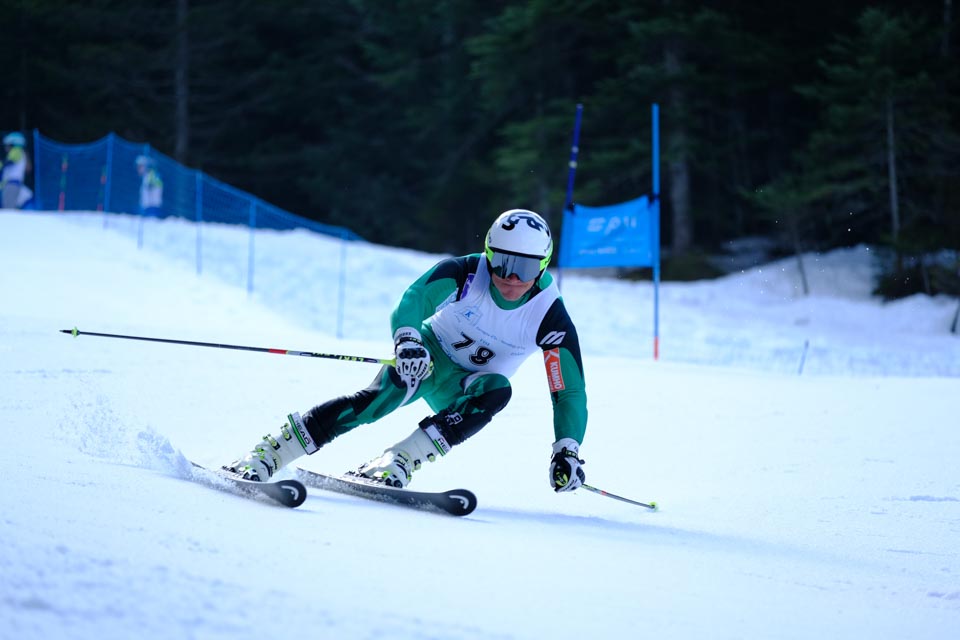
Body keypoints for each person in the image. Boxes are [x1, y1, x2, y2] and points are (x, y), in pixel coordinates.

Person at [224, 209, 589, 493]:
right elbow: (414, 299)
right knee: (377, 400)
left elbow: (568, 391)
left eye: (524, 268)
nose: (511, 278)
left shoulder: (548, 315)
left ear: (542, 265)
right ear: (488, 253)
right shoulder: (466, 272)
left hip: (464, 388)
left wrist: (567, 448)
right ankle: (272, 451)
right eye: (502, 263)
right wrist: (409, 340)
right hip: (427, 358)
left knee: (498, 390)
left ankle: (400, 459)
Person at [2, 132, 29, 209]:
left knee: (8, 207)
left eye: (8, 145)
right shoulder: (19, 152)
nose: (6, 147)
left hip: (12, 183)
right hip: (12, 183)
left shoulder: (16, 151)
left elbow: (8, 162)